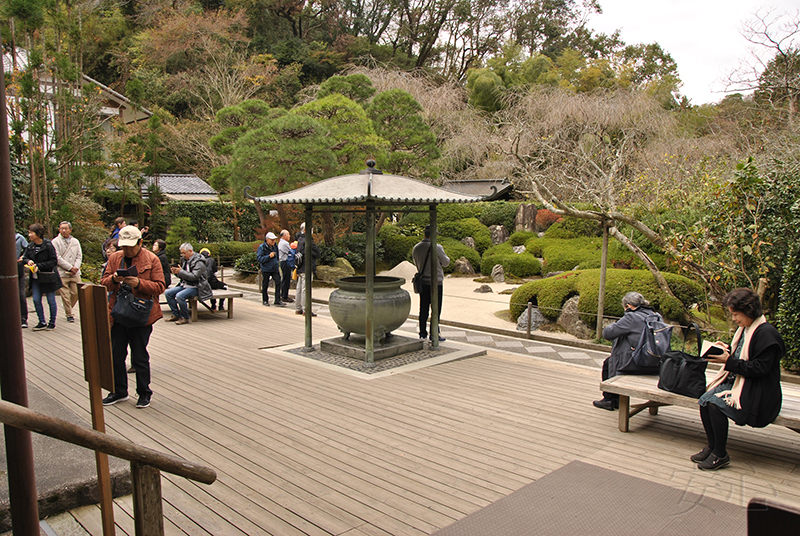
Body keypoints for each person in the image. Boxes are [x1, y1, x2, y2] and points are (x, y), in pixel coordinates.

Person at [692, 288, 784, 471]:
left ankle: (720, 454)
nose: (734, 319)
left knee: (714, 404)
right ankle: (712, 446)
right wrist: (725, 350)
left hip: (759, 391)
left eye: (736, 314)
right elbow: (744, 354)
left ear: (749, 311)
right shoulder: (747, 329)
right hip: (741, 382)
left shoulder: (767, 334)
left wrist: (729, 360)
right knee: (704, 400)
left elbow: (760, 369)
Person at [101, 225, 166, 408]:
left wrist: (138, 283)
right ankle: (119, 391)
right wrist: (114, 279)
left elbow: (160, 286)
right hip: (118, 312)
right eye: (124, 246)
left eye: (131, 246)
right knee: (116, 354)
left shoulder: (151, 259)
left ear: (140, 242)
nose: (127, 250)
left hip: (141, 314)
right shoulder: (115, 258)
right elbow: (103, 283)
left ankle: (144, 393)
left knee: (139, 356)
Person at [593, 292, 661, 411]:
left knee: (609, 364)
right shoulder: (656, 316)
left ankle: (609, 399)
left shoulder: (631, 317)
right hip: (655, 361)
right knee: (614, 359)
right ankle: (615, 399)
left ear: (628, 306)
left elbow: (608, 333)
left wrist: (618, 323)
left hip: (637, 362)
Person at [21, 223, 63, 331]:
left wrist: (38, 266)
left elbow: (53, 261)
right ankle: (41, 321)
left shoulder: (48, 245)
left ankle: (52, 322)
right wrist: (28, 261)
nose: (29, 235)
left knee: (51, 300)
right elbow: (24, 257)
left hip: (48, 277)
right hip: (35, 278)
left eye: (31, 232)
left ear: (38, 234)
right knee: (36, 300)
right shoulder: (30, 246)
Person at [412, 225, 450, 341]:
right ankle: (434, 333)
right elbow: (446, 262)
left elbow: (415, 262)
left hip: (423, 282)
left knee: (423, 308)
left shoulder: (416, 248)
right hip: (435, 283)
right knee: (436, 309)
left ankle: (422, 332)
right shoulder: (437, 247)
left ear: (424, 234)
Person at [164, 243, 211, 324]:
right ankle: (176, 314)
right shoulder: (185, 260)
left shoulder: (199, 261)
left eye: (184, 253)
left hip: (197, 286)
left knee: (180, 296)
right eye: (181, 253)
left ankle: (185, 317)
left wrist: (180, 271)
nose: (182, 255)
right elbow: (183, 276)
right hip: (185, 284)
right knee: (168, 293)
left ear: (190, 251)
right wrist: (176, 272)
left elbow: (194, 277)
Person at [52, 221, 83, 323]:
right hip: (62, 272)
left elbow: (79, 255)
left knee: (76, 293)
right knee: (65, 295)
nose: (64, 230)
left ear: (70, 229)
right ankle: (69, 314)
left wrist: (76, 267)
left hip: (75, 273)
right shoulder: (55, 242)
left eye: (66, 228)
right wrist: (70, 267)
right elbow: (57, 257)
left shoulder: (75, 241)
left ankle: (67, 306)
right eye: (62, 228)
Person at [295, 223, 320, 317]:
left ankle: (298, 308)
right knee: (305, 289)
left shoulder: (300, 239)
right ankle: (306, 309)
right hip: (307, 266)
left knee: (299, 288)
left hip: (300, 266)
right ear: (305, 230)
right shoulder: (308, 240)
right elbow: (317, 252)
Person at [257, 232, 285, 307]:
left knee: (278, 282)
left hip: (274, 268)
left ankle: (277, 300)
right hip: (266, 269)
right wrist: (269, 256)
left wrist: (276, 262)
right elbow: (259, 259)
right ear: (267, 240)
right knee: (265, 284)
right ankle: (265, 300)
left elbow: (277, 255)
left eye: (274, 240)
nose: (273, 241)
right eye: (272, 240)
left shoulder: (275, 246)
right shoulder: (262, 247)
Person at [15, 231, 29, 328]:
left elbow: (27, 249)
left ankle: (23, 318)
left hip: (18, 268)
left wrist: (23, 257)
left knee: (21, 295)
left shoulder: (19, 237)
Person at [278, 229, 294, 303]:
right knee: (286, 278)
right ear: (284, 235)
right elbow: (290, 251)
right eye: (288, 235)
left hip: (282, 262)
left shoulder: (280, 243)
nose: (289, 236)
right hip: (285, 261)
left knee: (284, 278)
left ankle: (283, 294)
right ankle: (284, 295)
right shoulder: (284, 243)